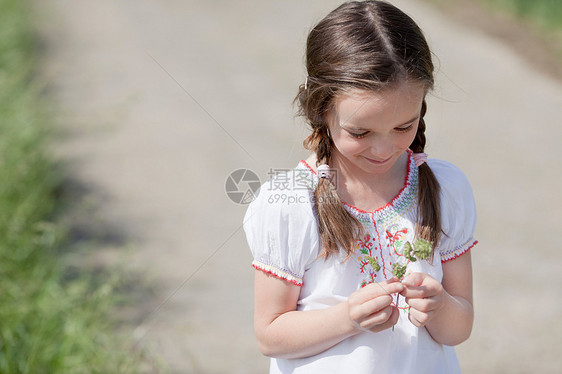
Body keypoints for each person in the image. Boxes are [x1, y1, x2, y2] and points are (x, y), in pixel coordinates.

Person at [243, 1, 478, 373]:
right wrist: (347, 317)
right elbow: (270, 334)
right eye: (360, 132)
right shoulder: (290, 202)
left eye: (404, 126)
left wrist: (441, 307)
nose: (383, 149)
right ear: (321, 109)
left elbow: (459, 327)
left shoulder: (444, 188)